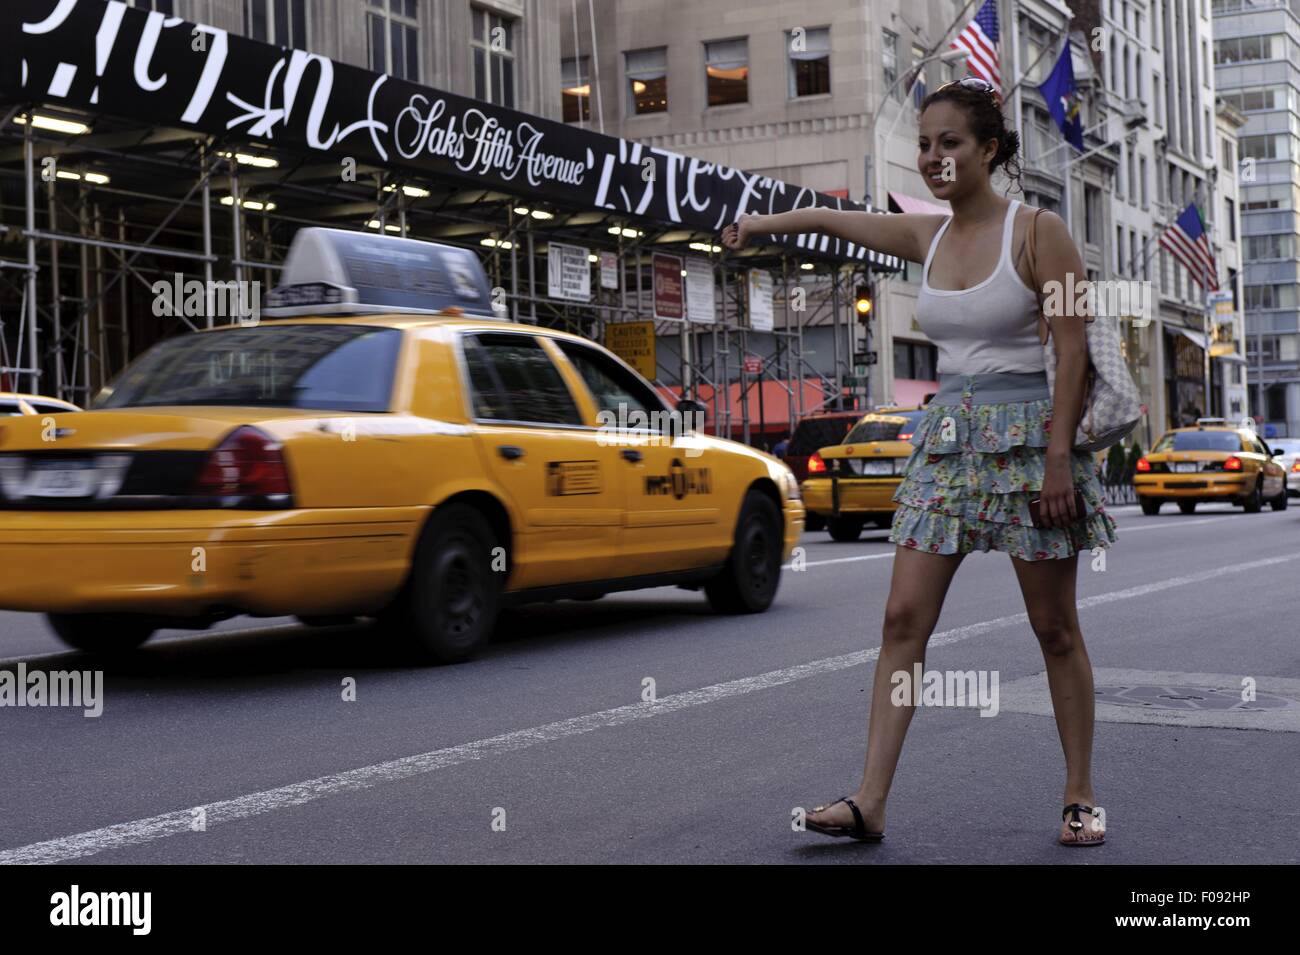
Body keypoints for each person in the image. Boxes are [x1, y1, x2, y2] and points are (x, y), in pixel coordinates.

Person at [721, 76, 1117, 847]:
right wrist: (761, 224)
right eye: (925, 145)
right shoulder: (925, 236)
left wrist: (1061, 456)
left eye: (950, 143)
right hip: (946, 442)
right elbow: (834, 217)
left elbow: (1071, 350)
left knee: (1053, 627)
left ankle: (1079, 793)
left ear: (990, 149)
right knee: (902, 617)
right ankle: (870, 799)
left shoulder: (1041, 233)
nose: (933, 157)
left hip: (1032, 442)